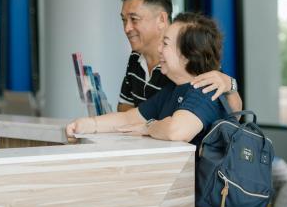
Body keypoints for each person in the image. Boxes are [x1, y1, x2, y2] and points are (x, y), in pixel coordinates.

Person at [66, 12, 229, 149]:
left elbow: (176, 130)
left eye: (165, 44)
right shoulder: (173, 89)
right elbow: (129, 118)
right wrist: (89, 124)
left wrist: (148, 126)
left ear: (187, 56)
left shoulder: (205, 89)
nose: (159, 49)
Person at [117, 0, 242, 113]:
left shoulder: (188, 56)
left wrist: (231, 85)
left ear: (161, 19)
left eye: (134, 19)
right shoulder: (135, 56)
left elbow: (232, 113)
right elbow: (124, 108)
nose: (127, 28)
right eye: (124, 20)